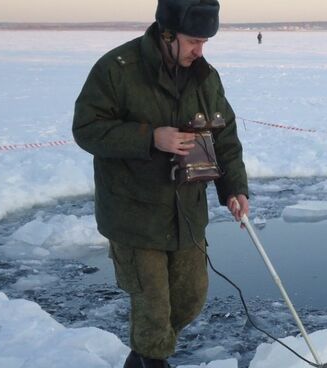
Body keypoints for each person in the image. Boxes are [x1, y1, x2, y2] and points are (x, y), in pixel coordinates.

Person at [72, 0, 249, 367]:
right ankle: (152, 358)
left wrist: (234, 189)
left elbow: (224, 136)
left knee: (189, 299)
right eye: (193, 41)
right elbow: (86, 129)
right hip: (134, 214)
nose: (199, 51)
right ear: (167, 34)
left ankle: (142, 358)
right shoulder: (117, 69)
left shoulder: (205, 77)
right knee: (153, 309)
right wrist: (150, 137)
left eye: (204, 42)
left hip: (186, 212)